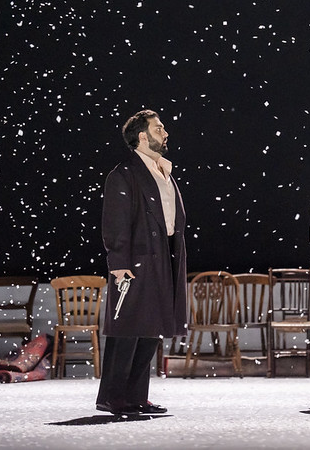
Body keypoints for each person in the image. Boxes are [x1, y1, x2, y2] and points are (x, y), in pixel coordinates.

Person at [96, 109, 188, 415]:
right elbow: (115, 222)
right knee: (127, 328)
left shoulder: (163, 171)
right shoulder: (124, 174)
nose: (165, 133)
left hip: (165, 255)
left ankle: (135, 396)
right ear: (142, 137)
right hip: (137, 260)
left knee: (152, 327)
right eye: (159, 128)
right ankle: (112, 396)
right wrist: (118, 262)